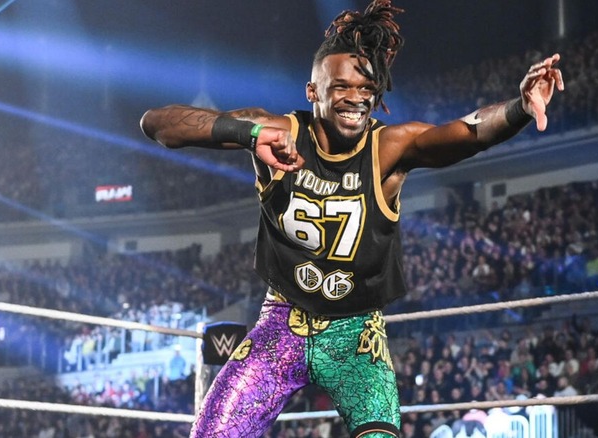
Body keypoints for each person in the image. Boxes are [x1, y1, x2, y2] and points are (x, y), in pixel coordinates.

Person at [140, 1, 564, 436]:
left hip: (357, 337)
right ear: (313, 91)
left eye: (366, 88)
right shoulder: (278, 132)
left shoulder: (389, 148)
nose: (356, 99)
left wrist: (520, 108)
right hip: (281, 325)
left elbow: (466, 132)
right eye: (341, 86)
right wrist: (249, 135)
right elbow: (158, 124)